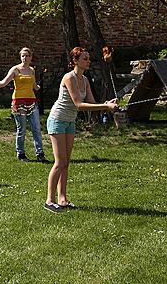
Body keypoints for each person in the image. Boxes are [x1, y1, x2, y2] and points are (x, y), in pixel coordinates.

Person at [44, 47, 117, 213]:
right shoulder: (69, 78)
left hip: (70, 122)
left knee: (66, 162)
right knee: (59, 162)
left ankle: (62, 199)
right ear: (75, 61)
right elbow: (79, 104)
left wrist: (107, 104)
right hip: (57, 120)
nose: (88, 61)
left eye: (88, 58)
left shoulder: (84, 80)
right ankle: (49, 200)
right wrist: (105, 106)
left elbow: (91, 102)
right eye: (85, 58)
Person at [0, 47, 49, 163]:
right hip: (19, 101)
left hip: (31, 101)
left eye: (27, 56)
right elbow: (3, 83)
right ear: (20, 57)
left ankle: (40, 153)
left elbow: (34, 85)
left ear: (31, 57)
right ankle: (20, 153)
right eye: (23, 56)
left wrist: (38, 87)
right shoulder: (15, 69)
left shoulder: (32, 70)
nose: (25, 58)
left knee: (36, 128)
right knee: (21, 129)